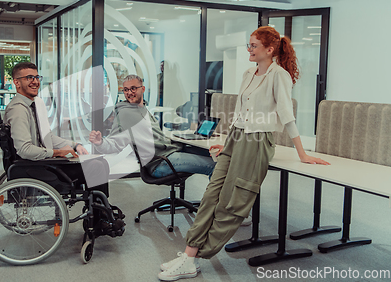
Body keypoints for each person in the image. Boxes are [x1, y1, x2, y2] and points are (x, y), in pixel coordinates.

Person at [157, 26, 330, 281]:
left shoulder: (278, 75)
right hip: (236, 138)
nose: (249, 49)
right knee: (210, 195)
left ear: (269, 50)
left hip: (257, 142)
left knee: (231, 202)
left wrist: (302, 153)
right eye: (249, 45)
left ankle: (194, 256)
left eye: (253, 46)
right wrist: (226, 143)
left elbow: (286, 115)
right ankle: (189, 253)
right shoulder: (249, 73)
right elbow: (240, 114)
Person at [3, 62, 109, 195]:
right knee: (96, 166)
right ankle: (99, 212)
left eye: (36, 77)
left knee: (101, 162)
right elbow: (25, 150)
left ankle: (100, 208)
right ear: (17, 83)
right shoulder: (18, 109)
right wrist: (57, 152)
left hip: (42, 162)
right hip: (34, 167)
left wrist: (75, 145)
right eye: (29, 78)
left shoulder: (32, 105)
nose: (35, 82)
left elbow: (48, 137)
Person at [89, 74, 215, 179]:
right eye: (126, 90)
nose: (129, 93)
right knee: (215, 166)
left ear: (142, 89)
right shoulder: (125, 113)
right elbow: (115, 144)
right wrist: (100, 142)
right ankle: (212, 207)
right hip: (160, 163)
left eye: (133, 88)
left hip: (169, 153)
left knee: (214, 155)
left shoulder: (142, 108)